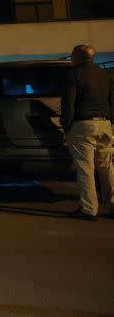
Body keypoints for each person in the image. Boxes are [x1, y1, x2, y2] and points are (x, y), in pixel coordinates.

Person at [61, 44, 114, 221]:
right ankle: (112, 203)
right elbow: (111, 101)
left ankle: (89, 208)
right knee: (106, 167)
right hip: (105, 124)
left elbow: (69, 102)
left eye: (72, 55)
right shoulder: (105, 75)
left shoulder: (74, 74)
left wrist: (66, 125)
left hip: (83, 125)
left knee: (85, 168)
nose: (71, 58)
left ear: (77, 57)